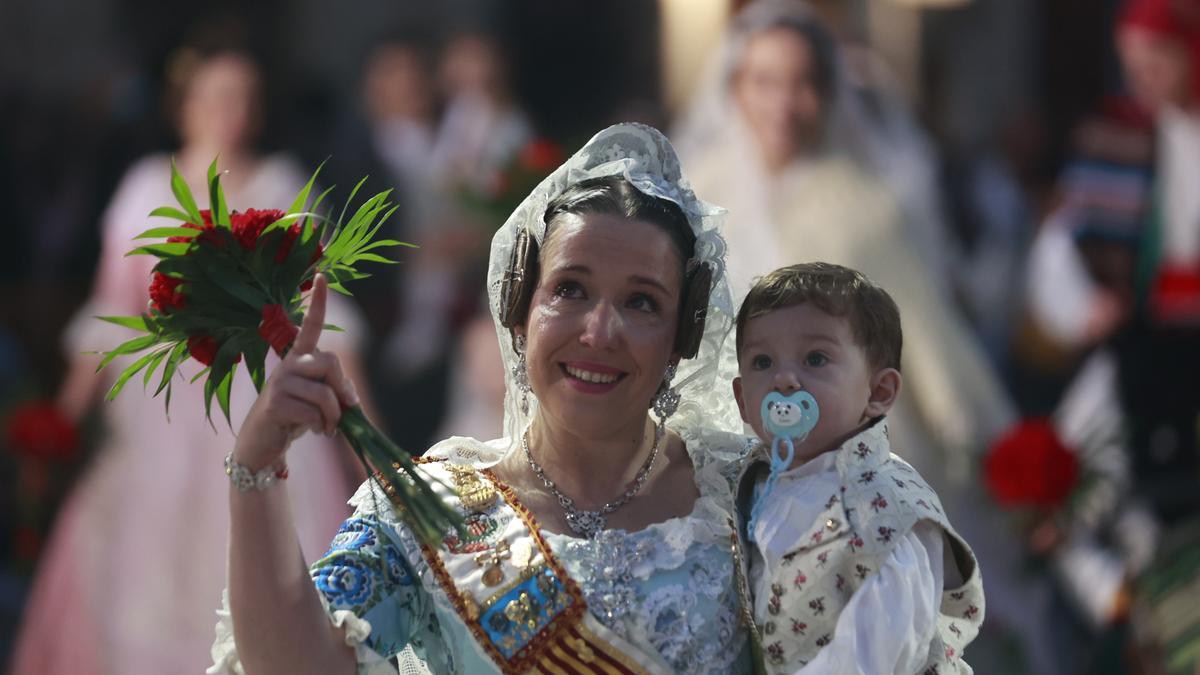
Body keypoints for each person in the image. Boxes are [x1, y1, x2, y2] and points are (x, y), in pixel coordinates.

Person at [208, 123, 757, 674]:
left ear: (682, 337)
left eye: (642, 301)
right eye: (570, 289)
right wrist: (256, 470)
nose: (599, 331)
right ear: (519, 311)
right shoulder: (432, 512)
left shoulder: (745, 498)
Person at [9, 46, 367, 675]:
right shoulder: (146, 185)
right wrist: (63, 421)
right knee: (142, 568)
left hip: (255, 397)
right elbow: (109, 310)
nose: (232, 112)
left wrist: (365, 435)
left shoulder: (283, 184)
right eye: (217, 96)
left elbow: (322, 316)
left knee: (269, 548)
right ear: (186, 105)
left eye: (245, 98)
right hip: (162, 408)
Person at [673, 0, 1013, 491]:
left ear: (829, 91)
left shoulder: (866, 207)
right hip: (712, 455)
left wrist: (976, 439)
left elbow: (925, 341)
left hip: (845, 462)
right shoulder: (693, 195)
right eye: (764, 82)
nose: (784, 104)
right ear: (734, 89)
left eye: (803, 83)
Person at [732, 262, 983, 673]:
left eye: (815, 358)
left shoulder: (885, 512)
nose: (784, 379)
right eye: (762, 362)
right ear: (742, 398)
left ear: (878, 392)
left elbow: (875, 653)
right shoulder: (749, 479)